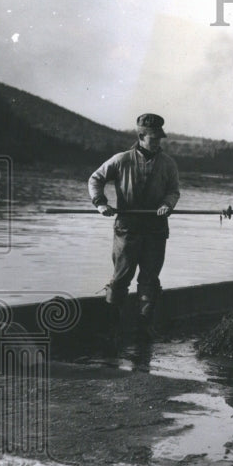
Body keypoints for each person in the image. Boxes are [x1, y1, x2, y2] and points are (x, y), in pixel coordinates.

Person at [88, 113, 180, 342]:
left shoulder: (168, 164)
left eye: (160, 138)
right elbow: (95, 179)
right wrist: (101, 204)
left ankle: (143, 328)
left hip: (156, 229)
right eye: (153, 137)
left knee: (150, 279)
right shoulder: (121, 160)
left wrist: (167, 205)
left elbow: (173, 191)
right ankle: (111, 329)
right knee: (120, 279)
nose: (158, 141)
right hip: (127, 228)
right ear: (141, 136)